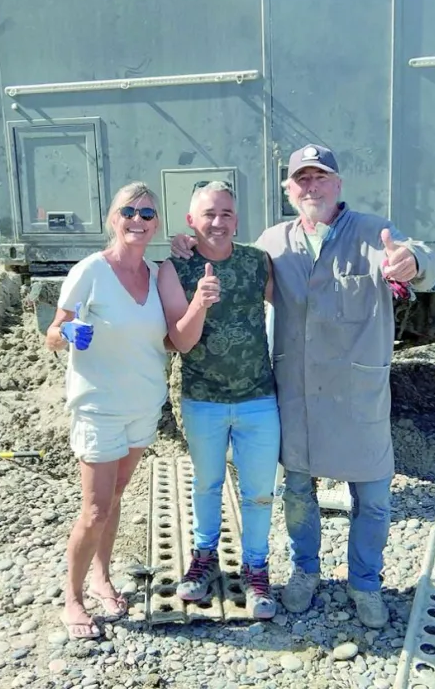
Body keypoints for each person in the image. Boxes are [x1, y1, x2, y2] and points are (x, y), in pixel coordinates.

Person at [171, 144, 435, 628]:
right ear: (288, 190)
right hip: (297, 394)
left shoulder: (371, 232)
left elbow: (422, 258)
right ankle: (304, 572)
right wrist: (191, 248)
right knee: (298, 492)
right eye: (302, 180)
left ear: (338, 184)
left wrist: (412, 263)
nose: (311, 187)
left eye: (321, 178)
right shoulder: (274, 241)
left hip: (359, 395)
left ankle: (365, 582)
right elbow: (231, 259)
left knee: (373, 497)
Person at [45, 181, 170, 640]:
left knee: (115, 499)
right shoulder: (90, 271)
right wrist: (68, 332)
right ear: (113, 219)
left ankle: (101, 578)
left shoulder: (157, 275)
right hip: (98, 407)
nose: (138, 221)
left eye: (147, 214)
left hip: (143, 405)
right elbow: (53, 332)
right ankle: (72, 598)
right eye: (129, 212)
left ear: (157, 223)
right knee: (95, 509)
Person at [156, 180, 281, 619]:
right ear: (191, 221)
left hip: (258, 399)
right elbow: (182, 341)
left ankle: (256, 569)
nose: (218, 221)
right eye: (208, 214)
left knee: (259, 492)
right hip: (203, 399)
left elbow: (300, 300)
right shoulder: (175, 268)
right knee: (207, 484)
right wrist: (199, 303)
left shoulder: (254, 262)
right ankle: (204, 558)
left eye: (226, 213)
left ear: (237, 220)